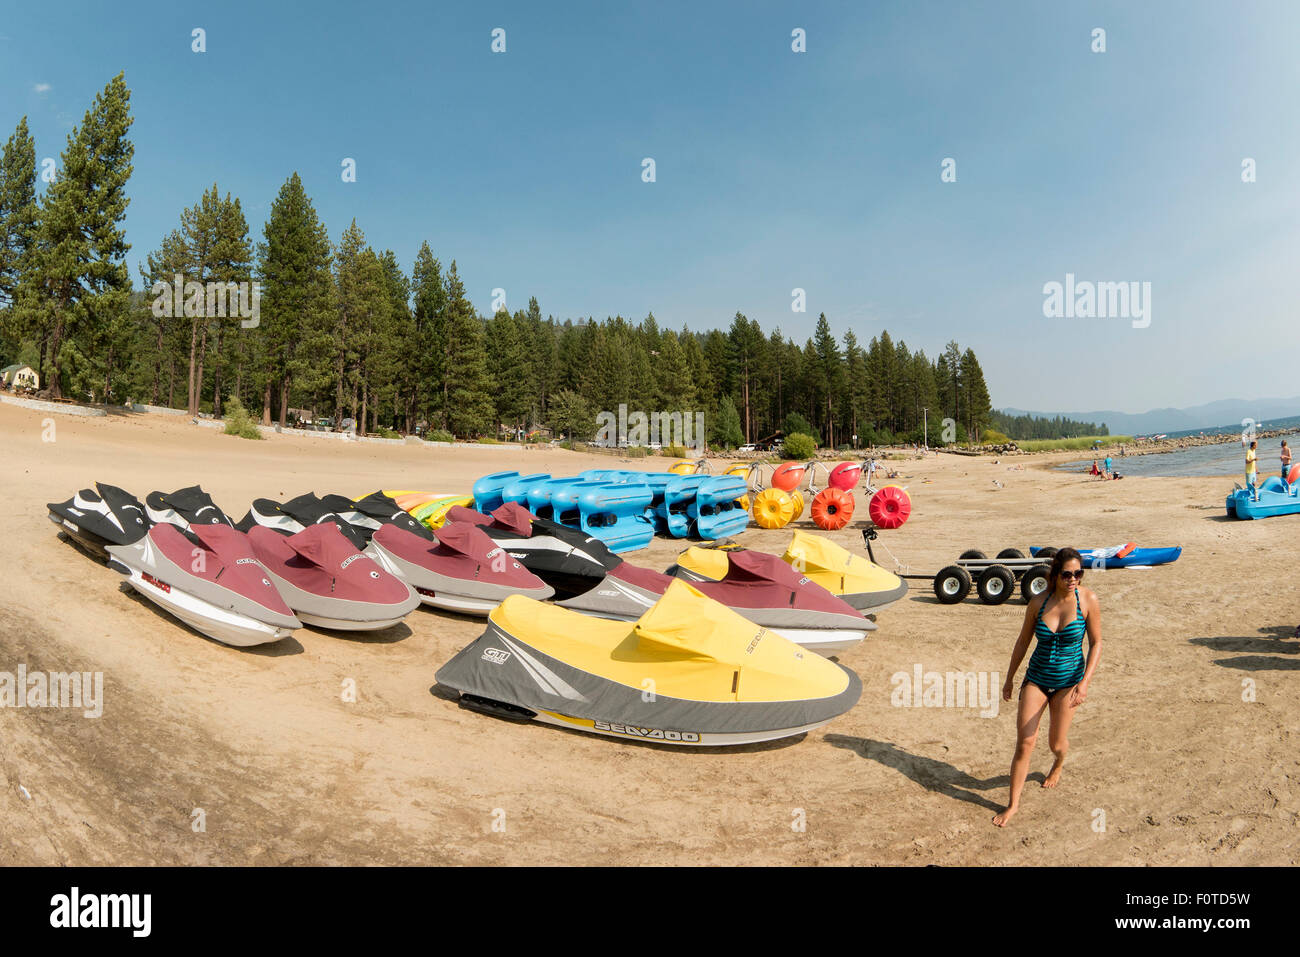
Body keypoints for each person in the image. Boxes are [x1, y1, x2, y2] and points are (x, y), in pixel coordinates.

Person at [993, 548, 1103, 827]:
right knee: (1025, 742)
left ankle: (1058, 764)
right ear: (1055, 575)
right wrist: (1009, 678)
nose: (1073, 579)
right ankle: (1013, 804)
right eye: (1067, 574)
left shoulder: (1087, 600)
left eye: (1078, 573)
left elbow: (1097, 643)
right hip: (1037, 679)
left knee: (1056, 743)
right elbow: (1022, 642)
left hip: (1068, 683)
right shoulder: (1038, 602)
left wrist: (1085, 683)